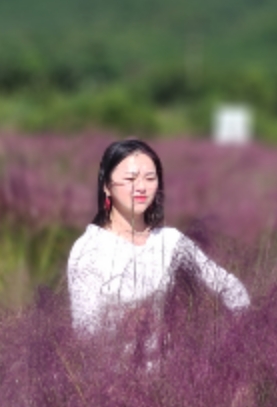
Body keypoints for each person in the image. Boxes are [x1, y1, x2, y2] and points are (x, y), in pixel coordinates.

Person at [65, 138, 250, 341]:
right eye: (130, 179)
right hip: (117, 371)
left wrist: (230, 340)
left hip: (175, 370)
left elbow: (231, 287)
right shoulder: (89, 250)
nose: (142, 187)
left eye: (150, 178)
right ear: (107, 187)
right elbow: (84, 335)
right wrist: (121, 325)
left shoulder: (169, 241)